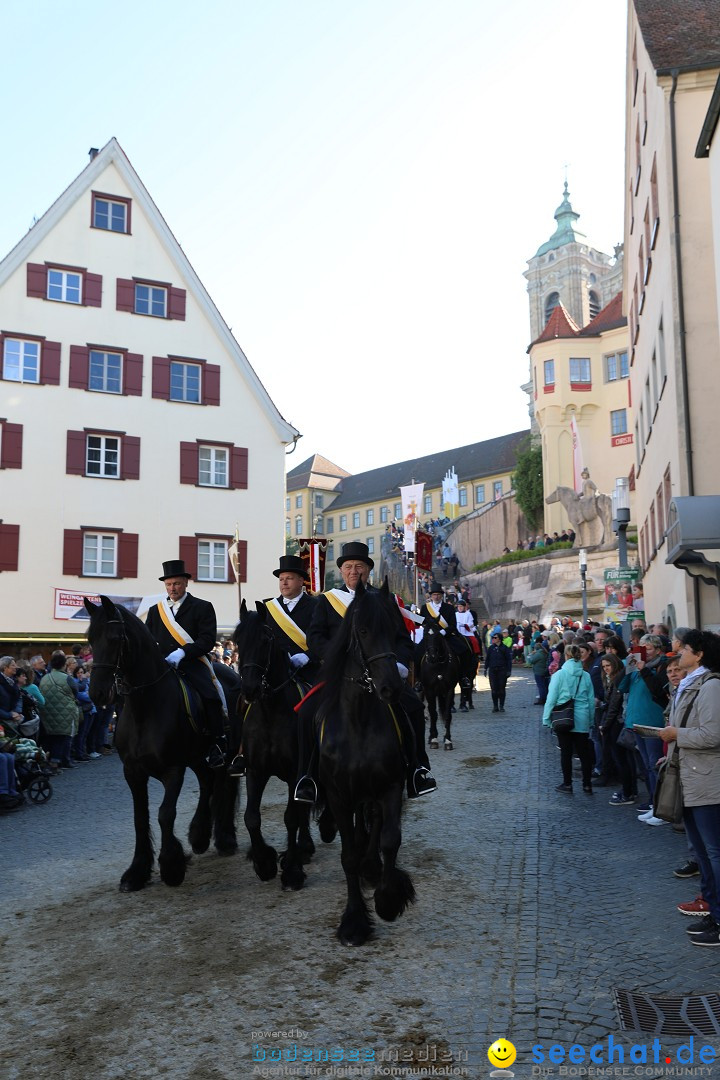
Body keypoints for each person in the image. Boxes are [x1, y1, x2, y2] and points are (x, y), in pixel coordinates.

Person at [300, 541, 436, 802]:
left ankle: (417, 770)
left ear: (368, 571)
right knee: (307, 713)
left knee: (414, 708)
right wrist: (335, 657)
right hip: (340, 676)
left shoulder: (384, 600)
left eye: (359, 567)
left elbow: (402, 639)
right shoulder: (327, 602)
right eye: (349, 567)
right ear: (341, 572)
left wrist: (398, 663)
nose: (354, 572)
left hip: (380, 673)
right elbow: (315, 637)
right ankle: (308, 777)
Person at [658, 631, 720, 946]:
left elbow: (711, 734)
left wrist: (675, 735)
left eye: (685, 649)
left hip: (708, 779)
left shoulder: (711, 686)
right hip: (693, 777)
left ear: (698, 655)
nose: (678, 653)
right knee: (704, 851)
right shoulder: (692, 682)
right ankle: (711, 907)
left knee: (714, 852)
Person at [146, 559, 228, 768]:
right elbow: (148, 639)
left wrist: (183, 652)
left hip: (192, 662)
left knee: (211, 695)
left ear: (186, 583)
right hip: (164, 665)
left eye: (176, 584)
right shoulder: (156, 611)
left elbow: (207, 640)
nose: (172, 588)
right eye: (168, 584)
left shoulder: (202, 607)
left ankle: (217, 743)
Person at [248, 553, 319, 781]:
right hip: (275, 674)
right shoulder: (269, 608)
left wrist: (308, 657)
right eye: (281, 579)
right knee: (244, 703)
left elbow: (325, 639)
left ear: (301, 581)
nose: (284, 583)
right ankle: (240, 751)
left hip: (308, 670)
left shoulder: (316, 606)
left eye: (289, 578)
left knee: (324, 708)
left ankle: (319, 754)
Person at [543, 643, 596, 794]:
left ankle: (567, 784)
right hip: (582, 717)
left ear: (566, 656)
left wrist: (546, 718)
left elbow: (551, 698)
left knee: (565, 753)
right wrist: (591, 720)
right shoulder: (586, 675)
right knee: (584, 753)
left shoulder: (559, 674)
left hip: (563, 717)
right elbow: (591, 701)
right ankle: (587, 784)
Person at [418, 583, 473, 690]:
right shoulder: (425, 608)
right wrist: (414, 615)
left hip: (446, 636)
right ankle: (419, 680)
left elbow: (452, 625)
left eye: (438, 594)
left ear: (441, 595)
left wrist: (442, 632)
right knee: (416, 653)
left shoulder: (449, 608)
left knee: (464, 651)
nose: (436, 597)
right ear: (431, 596)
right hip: (430, 638)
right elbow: (419, 623)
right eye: (434, 595)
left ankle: (463, 677)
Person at [39, 652, 80, 768]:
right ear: (64, 665)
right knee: (63, 738)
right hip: (65, 712)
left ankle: (47, 761)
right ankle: (59, 761)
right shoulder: (67, 678)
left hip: (47, 712)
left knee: (50, 738)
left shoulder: (44, 678)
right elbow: (75, 692)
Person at [483, 632, 512, 712]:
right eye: (493, 638)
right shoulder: (491, 648)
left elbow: (508, 660)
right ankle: (495, 706)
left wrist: (509, 671)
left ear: (499, 639)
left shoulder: (505, 648)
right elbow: (487, 659)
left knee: (501, 689)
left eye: (495, 638)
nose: (493, 639)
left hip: (502, 670)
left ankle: (501, 705)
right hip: (492, 670)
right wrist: (485, 669)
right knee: (494, 689)